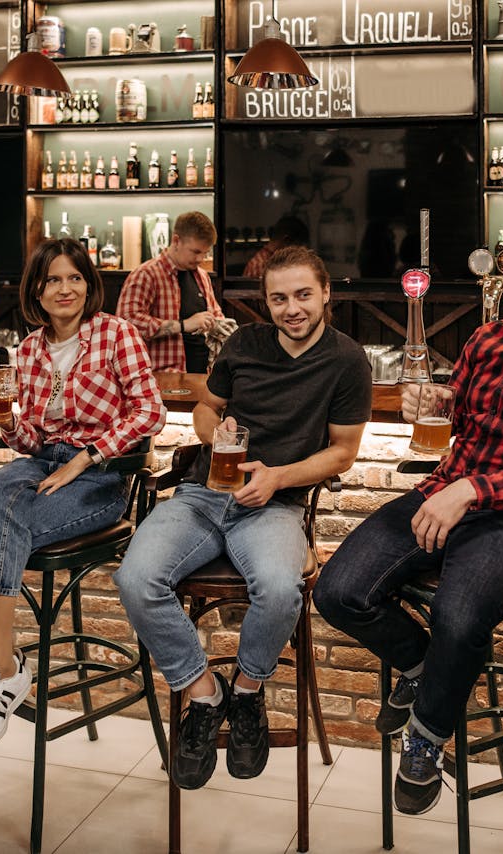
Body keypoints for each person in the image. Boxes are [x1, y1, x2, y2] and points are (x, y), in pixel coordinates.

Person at [313, 221, 503, 816]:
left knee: (460, 614)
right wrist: (436, 404)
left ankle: (426, 736)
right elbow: (465, 417)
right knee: (337, 591)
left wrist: (471, 492)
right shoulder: (485, 341)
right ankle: (424, 668)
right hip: (446, 488)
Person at [115, 246, 372, 790]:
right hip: (205, 496)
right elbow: (207, 406)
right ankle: (205, 695)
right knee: (135, 579)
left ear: (325, 293)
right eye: (279, 298)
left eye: (303, 295)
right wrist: (215, 435)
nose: (292, 308)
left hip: (275, 504)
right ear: (267, 302)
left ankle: (249, 693)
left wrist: (278, 477)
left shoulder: (347, 359)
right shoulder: (245, 343)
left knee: (281, 589)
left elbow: (343, 453)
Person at [0, 236, 165, 756]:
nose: (64, 289)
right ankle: (6, 669)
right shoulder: (27, 349)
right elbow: (31, 441)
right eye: (51, 280)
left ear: (89, 284)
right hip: (42, 466)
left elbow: (150, 412)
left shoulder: (116, 334)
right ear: (36, 292)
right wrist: (7, 425)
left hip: (102, 477)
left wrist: (85, 458)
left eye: (74, 278)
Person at [116, 211, 225, 374]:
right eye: (195, 252)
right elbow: (126, 322)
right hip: (162, 377)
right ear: (176, 241)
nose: (200, 258)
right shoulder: (146, 274)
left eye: (205, 252)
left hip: (203, 375)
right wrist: (182, 325)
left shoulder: (202, 276)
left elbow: (216, 315)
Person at [242, 215, 310, 280]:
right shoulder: (260, 266)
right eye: (298, 248)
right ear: (287, 240)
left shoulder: (268, 261)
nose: (298, 254)